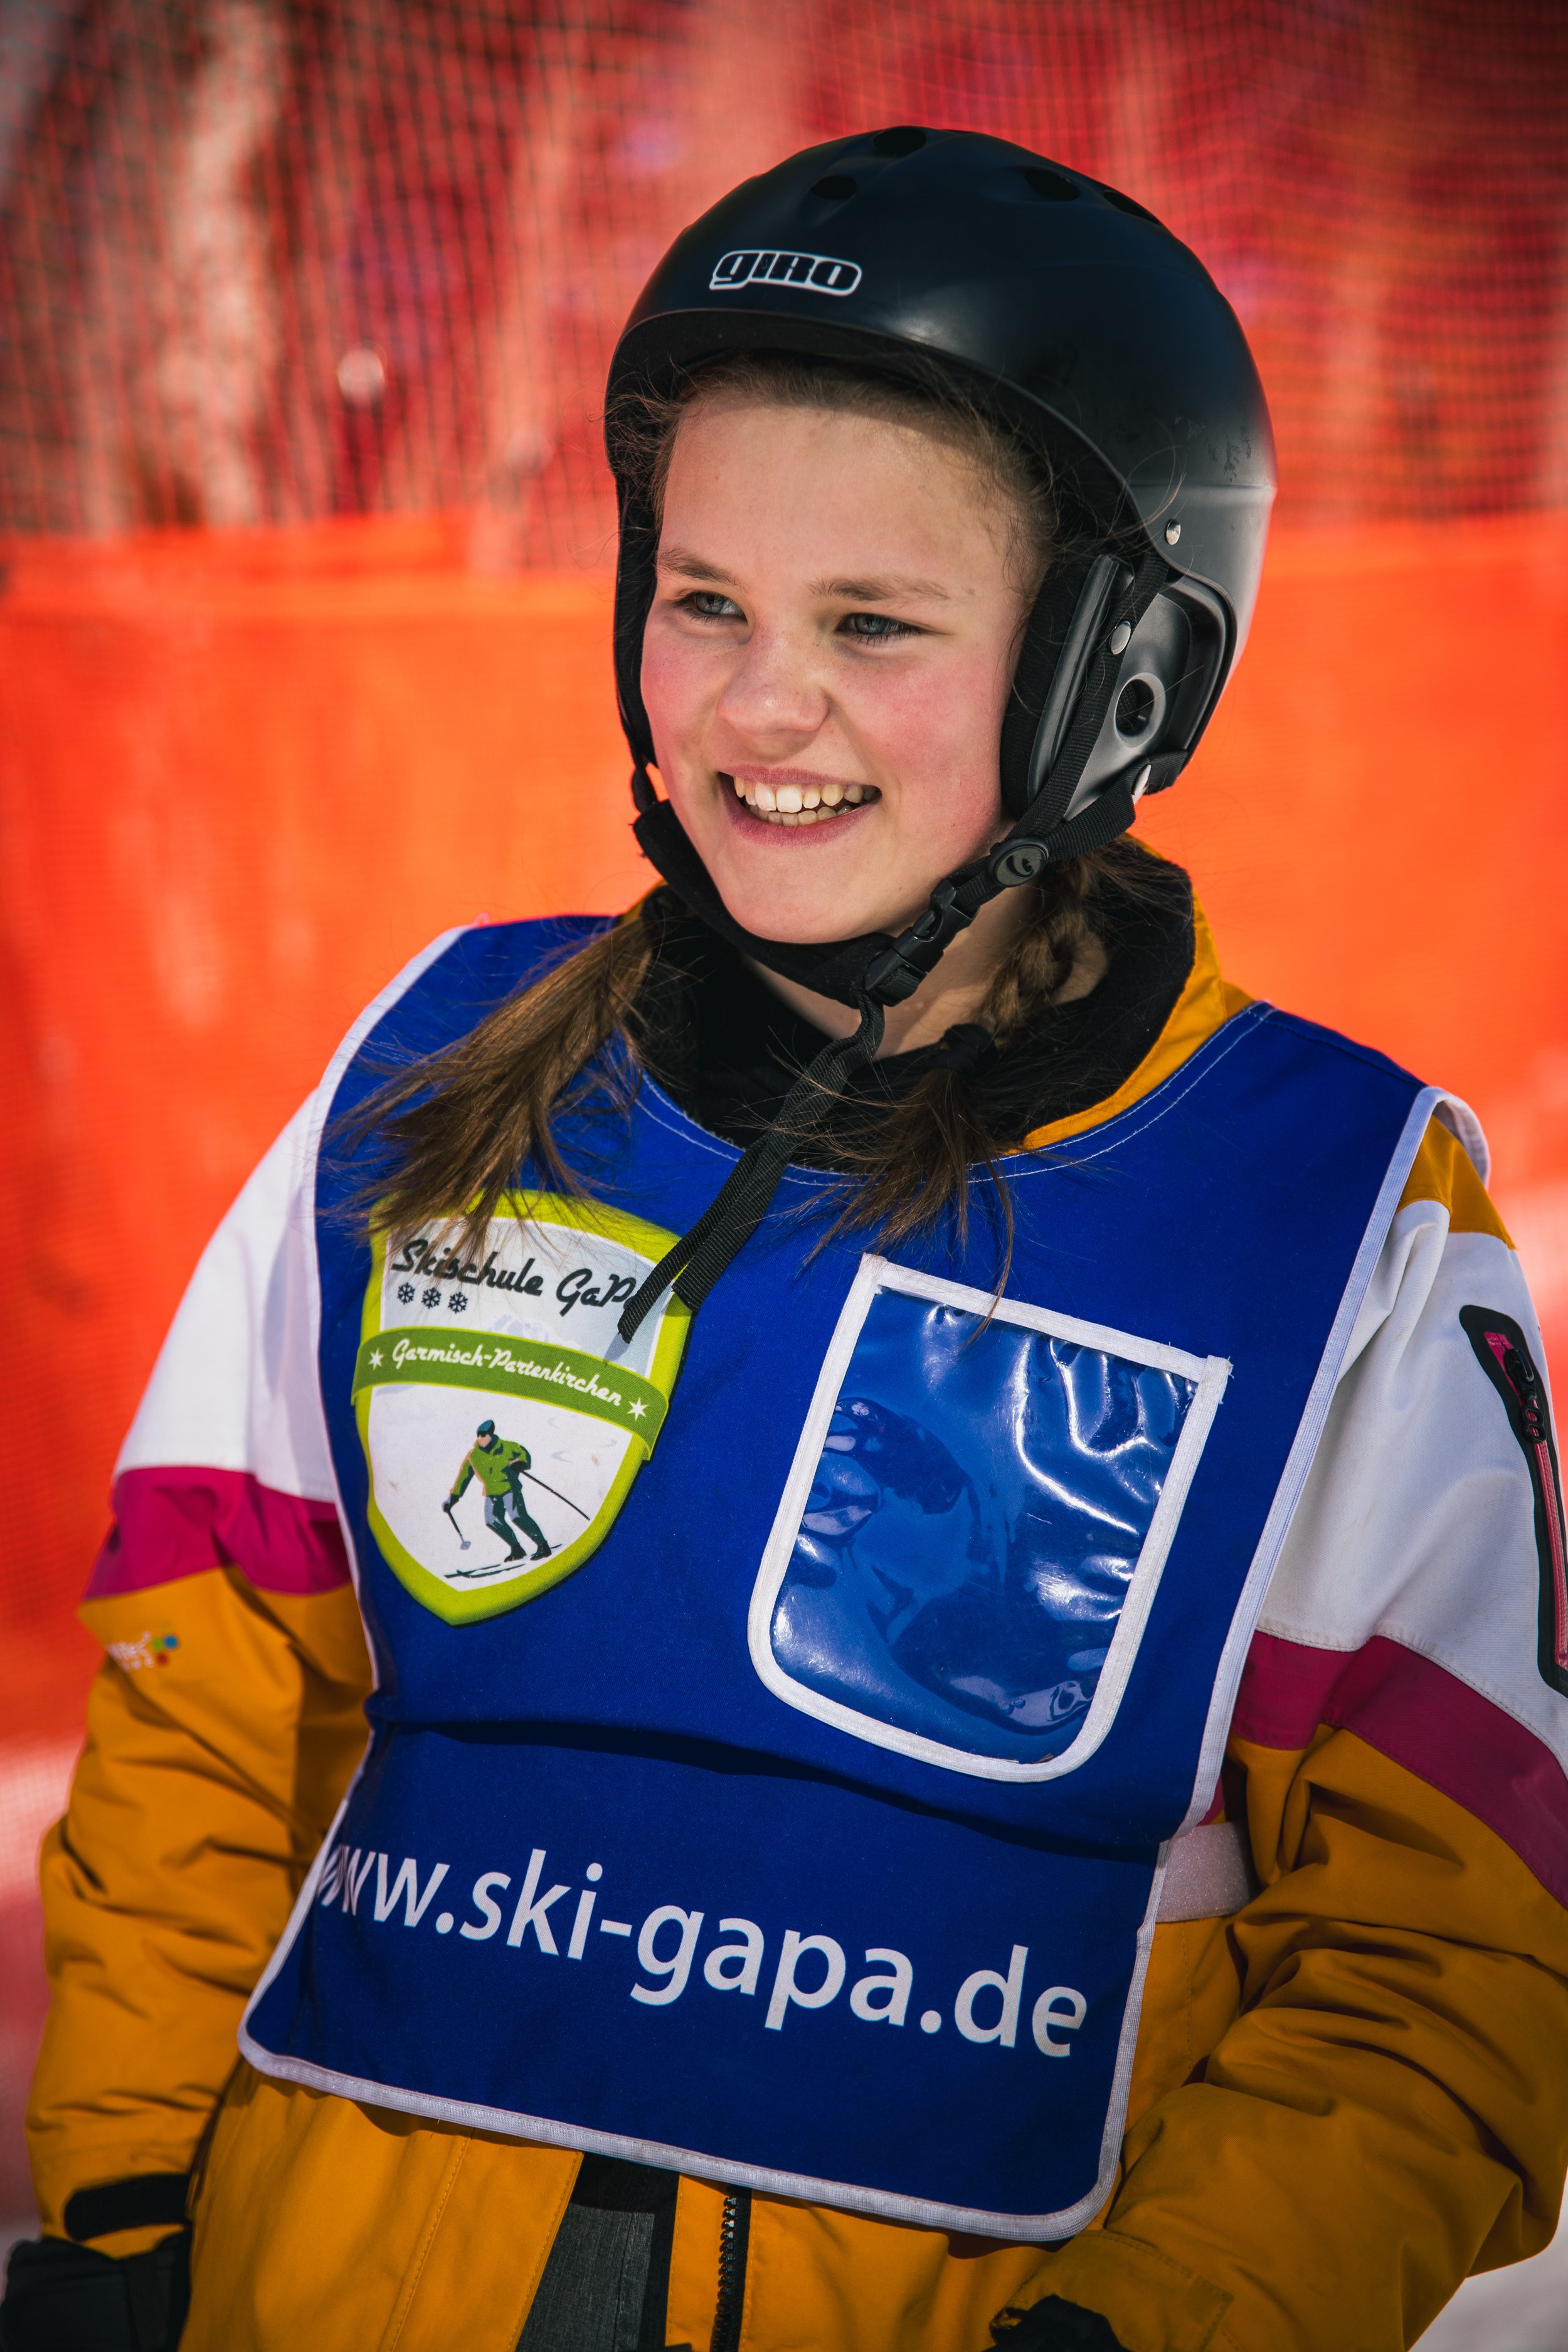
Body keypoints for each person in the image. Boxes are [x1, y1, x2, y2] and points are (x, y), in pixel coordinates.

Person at [4, 126, 1567, 2352]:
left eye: (873, 626)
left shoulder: (1323, 1230)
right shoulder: (427, 1077)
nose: (757, 704)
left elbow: (1443, 1963)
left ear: (1117, 682)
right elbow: (208, 1696)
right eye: (703, 597)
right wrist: (137, 2209)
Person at [450, 1420, 553, 1564]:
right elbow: (464, 1476)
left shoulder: (507, 1446)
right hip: (492, 1492)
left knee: (518, 1516)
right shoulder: (473, 1456)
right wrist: (454, 1496)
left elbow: (524, 1454)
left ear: (491, 1435)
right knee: (492, 1520)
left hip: (510, 1487)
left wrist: (521, 1463)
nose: (481, 1438)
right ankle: (517, 1549)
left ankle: (543, 1546)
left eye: (484, 1435)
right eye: (479, 1435)